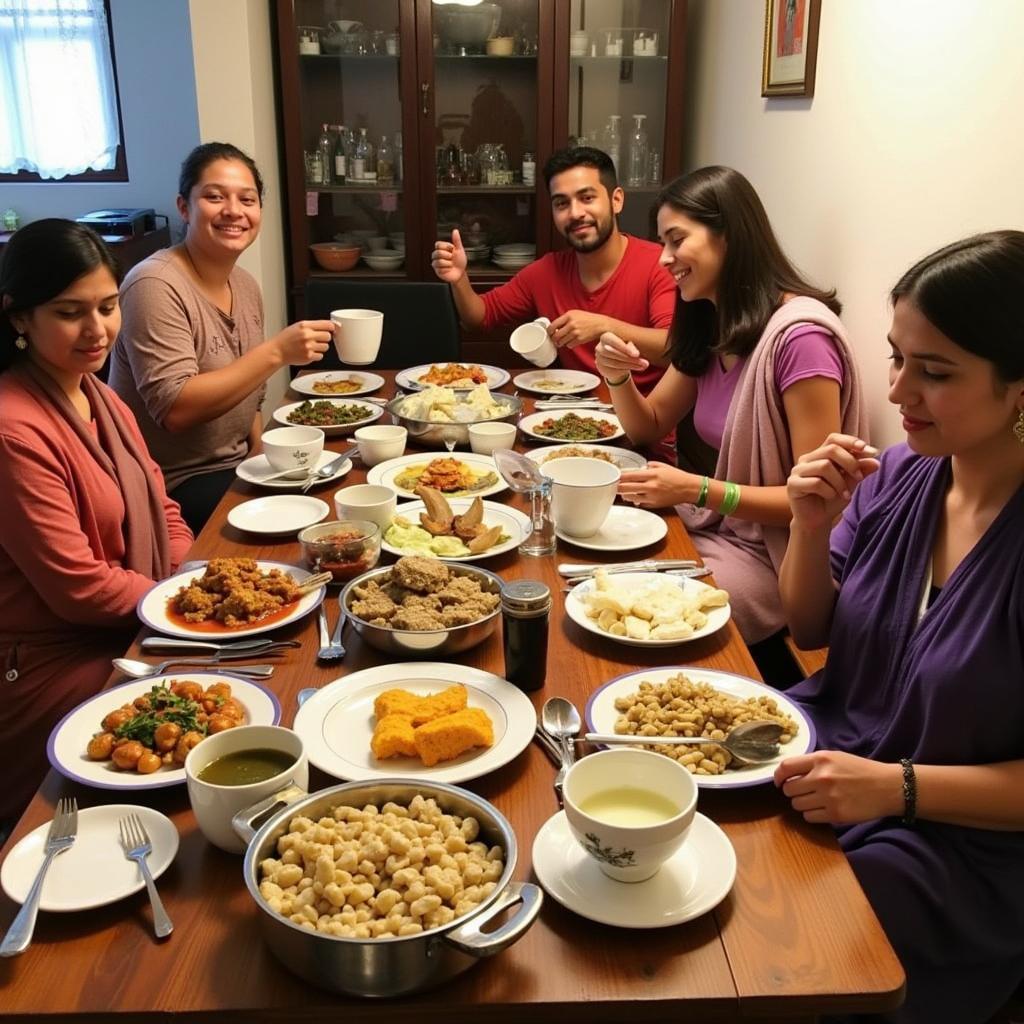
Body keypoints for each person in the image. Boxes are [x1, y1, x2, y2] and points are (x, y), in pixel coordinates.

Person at [776, 231, 1024, 1024]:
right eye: (897, 358)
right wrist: (810, 527)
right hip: (839, 759)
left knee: (798, 927)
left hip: (960, 843)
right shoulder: (904, 478)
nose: (899, 391)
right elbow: (808, 624)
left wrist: (896, 788)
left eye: (937, 372)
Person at [595, 165, 866, 643]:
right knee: (603, 578)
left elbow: (817, 502)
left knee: (648, 621)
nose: (664, 259)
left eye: (676, 240)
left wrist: (696, 490)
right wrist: (617, 375)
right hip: (723, 533)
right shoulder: (715, 321)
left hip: (781, 555)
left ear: (729, 236)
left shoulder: (800, 340)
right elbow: (650, 425)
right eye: (662, 243)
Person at [0, 219, 193, 826]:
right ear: (18, 318)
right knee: (194, 732)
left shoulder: (99, 394)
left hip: (131, 622)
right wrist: (186, 608)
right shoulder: (13, 429)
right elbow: (78, 586)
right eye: (68, 312)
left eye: (108, 307)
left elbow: (164, 510)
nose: (97, 329)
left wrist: (201, 581)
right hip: (52, 658)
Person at [108, 142, 335, 533]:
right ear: (184, 207)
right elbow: (175, 410)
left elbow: (251, 398)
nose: (233, 210)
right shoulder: (154, 284)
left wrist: (263, 456)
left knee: (339, 484)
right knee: (315, 520)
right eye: (214, 196)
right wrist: (278, 352)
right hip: (170, 484)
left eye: (247, 199)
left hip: (234, 466)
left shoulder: (244, 284)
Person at [431, 146, 677, 456]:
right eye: (562, 203)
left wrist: (603, 327)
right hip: (567, 428)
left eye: (587, 198)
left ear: (616, 199)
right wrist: (459, 278)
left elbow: (676, 348)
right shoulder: (547, 271)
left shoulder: (658, 264)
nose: (575, 213)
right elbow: (480, 317)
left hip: (645, 438)